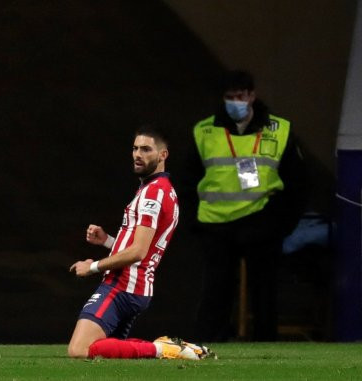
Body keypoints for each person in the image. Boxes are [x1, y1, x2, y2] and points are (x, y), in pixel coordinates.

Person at [67, 128, 211, 360]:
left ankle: (164, 349)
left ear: (163, 155)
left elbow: (138, 251)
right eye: (135, 148)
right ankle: (173, 347)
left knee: (79, 350)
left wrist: (92, 266)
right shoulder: (159, 189)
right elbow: (143, 246)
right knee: (109, 350)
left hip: (122, 285)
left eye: (146, 149)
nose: (137, 154)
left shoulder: (153, 194)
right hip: (135, 286)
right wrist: (108, 241)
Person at [192, 70, 304, 342]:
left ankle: (266, 347)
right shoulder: (205, 131)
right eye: (229, 97)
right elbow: (187, 181)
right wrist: (195, 225)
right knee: (215, 293)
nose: (235, 103)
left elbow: (299, 184)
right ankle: (209, 345)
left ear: (252, 96)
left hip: (261, 223)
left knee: (264, 293)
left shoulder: (279, 130)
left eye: (240, 96)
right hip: (217, 225)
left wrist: (280, 225)